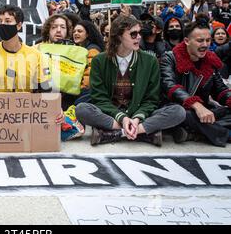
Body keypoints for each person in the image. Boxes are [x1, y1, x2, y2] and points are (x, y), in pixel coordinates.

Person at [75, 16, 186, 146]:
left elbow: (152, 99)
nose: (139, 37)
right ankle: (144, 133)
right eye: (133, 34)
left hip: (140, 114)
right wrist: (122, 118)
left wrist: (137, 118)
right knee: (81, 109)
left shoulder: (150, 61)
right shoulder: (99, 61)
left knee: (178, 112)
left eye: (140, 33)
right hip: (111, 114)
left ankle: (118, 133)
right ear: (118, 36)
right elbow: (99, 98)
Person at [161, 19, 231, 147]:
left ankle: (195, 133)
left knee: (226, 112)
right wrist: (196, 105)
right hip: (177, 108)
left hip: (204, 111)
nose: (205, 44)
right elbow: (170, 85)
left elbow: (220, 90)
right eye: (200, 40)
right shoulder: (170, 58)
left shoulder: (210, 60)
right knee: (184, 114)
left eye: (208, 40)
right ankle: (225, 135)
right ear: (187, 41)